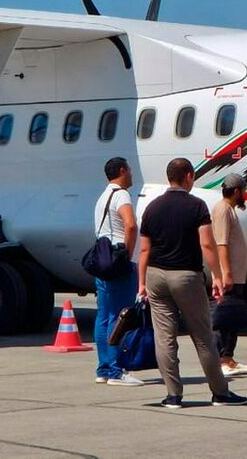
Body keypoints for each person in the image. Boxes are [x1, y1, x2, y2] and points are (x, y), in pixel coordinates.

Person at [138, 158, 247, 409]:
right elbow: (207, 244)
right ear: (187, 176)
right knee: (203, 336)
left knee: (164, 337)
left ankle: (173, 395)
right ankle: (220, 392)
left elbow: (144, 249)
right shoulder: (196, 206)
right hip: (186, 275)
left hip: (156, 275)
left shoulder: (152, 207)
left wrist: (141, 282)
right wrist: (218, 276)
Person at [91, 157, 143, 387]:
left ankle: (103, 368)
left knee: (103, 316)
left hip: (102, 262)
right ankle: (115, 370)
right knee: (120, 316)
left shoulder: (102, 197)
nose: (131, 174)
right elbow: (130, 224)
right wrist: (129, 253)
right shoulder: (121, 194)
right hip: (118, 261)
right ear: (122, 170)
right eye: (129, 170)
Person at [212, 173, 247, 377]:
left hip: (236, 274)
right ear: (236, 191)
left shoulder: (230, 210)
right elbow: (221, 243)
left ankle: (228, 357)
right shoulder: (222, 210)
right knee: (226, 318)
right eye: (244, 190)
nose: (245, 193)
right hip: (230, 276)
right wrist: (226, 273)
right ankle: (223, 359)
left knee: (233, 317)